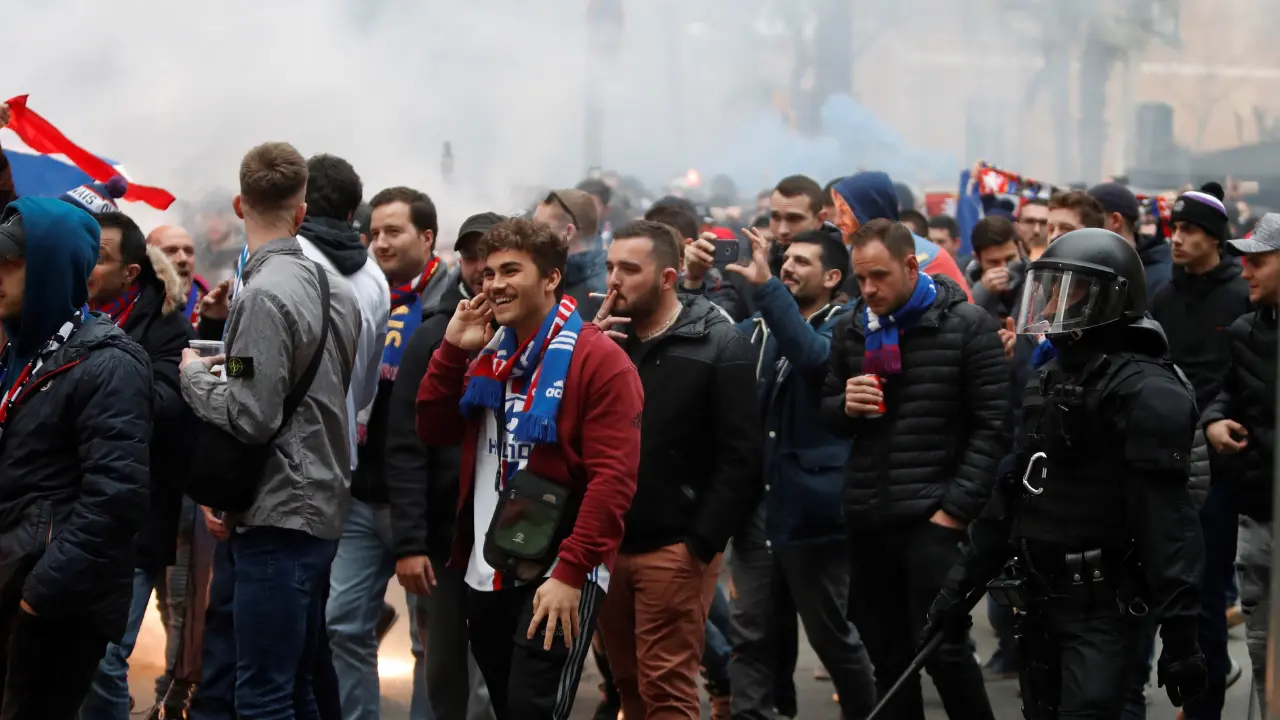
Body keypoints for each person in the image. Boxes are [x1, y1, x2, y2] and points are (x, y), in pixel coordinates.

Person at [921, 228, 1209, 718]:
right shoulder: (1050, 378)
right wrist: (954, 595)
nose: (1054, 303)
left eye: (1070, 289)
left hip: (1104, 605)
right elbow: (1013, 491)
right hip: (1039, 600)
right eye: (1049, 288)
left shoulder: (1148, 392)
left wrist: (1182, 637)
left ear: (1112, 298)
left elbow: (1169, 525)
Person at [414, 217, 644, 719]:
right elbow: (432, 429)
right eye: (489, 273)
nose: (494, 284)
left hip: (558, 571)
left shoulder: (597, 359)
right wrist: (452, 350)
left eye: (510, 270)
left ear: (551, 278)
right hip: (487, 568)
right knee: (505, 704)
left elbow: (613, 481)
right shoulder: (489, 355)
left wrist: (571, 571)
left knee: (532, 709)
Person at [181, 141, 361, 720]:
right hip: (318, 507)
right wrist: (224, 361)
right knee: (299, 685)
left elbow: (253, 415)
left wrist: (192, 377)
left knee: (261, 695)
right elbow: (282, 372)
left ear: (239, 204)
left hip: (279, 512)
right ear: (301, 211)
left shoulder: (261, 294)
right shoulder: (334, 287)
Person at [821, 218, 1004, 720]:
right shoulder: (852, 327)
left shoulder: (967, 325)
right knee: (887, 657)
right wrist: (844, 405)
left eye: (879, 275)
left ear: (909, 265)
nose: (869, 289)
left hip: (933, 518)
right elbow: (829, 413)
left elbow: (993, 428)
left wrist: (954, 513)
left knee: (943, 652)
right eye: (861, 278)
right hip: (870, 514)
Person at [592, 220, 762, 720]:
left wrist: (700, 543)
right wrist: (582, 353)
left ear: (668, 277)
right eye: (609, 267)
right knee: (626, 683)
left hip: (675, 545)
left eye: (629, 269)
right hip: (607, 542)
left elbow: (741, 455)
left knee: (666, 686)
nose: (614, 282)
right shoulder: (604, 337)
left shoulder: (719, 342)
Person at [0, 197, 151, 719]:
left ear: (51, 267)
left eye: (12, 261)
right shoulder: (18, 348)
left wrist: (38, 596)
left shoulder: (111, 362)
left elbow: (115, 500)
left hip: (52, 607)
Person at [725, 227, 877, 720]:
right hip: (758, 508)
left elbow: (813, 359)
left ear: (833, 277)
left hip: (813, 511)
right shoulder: (761, 326)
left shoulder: (849, 325)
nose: (788, 267)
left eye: (802, 262)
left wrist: (767, 289)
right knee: (751, 636)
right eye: (785, 259)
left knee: (832, 637)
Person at [77, 211, 196, 720]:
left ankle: (174, 694)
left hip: (137, 517)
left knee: (104, 656)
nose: (87, 267)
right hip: (69, 516)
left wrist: (100, 377)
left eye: (100, 257)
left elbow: (172, 402)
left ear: (131, 271)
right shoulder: (63, 316)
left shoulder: (169, 325)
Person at [388, 211, 503, 720]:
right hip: (447, 536)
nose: (484, 269)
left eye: (495, 259)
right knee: (443, 673)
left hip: (516, 536)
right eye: (474, 256)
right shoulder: (436, 333)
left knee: (497, 679)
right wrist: (410, 543)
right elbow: (408, 443)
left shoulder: (550, 340)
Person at [1146, 185, 1251, 718]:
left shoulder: (1242, 294)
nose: (1178, 239)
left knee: (1209, 590)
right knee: (1171, 586)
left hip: (1222, 466)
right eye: (1174, 230)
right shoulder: (1162, 295)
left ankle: (1206, 704)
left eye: (1188, 230)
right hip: (1169, 460)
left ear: (1214, 237)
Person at [1201, 213, 1280, 713]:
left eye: (1257, 261)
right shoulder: (1246, 330)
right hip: (1259, 515)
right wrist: (1213, 422)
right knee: (1260, 646)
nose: (1244, 270)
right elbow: (1223, 394)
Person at [829, 171, 972, 300]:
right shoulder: (854, 252)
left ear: (866, 210)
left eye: (844, 212)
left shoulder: (923, 255)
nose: (837, 221)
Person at [1088, 182, 1173, 301]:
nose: (1084, 227)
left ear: (1115, 221)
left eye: (1089, 218)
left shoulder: (1160, 278)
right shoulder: (1096, 267)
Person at [532, 189, 606, 320]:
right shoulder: (544, 277)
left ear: (568, 232)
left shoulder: (601, 289)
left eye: (540, 228)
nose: (531, 235)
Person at [148, 225, 209, 326]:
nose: (183, 259)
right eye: (171, 251)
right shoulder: (132, 306)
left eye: (188, 251)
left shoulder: (212, 310)